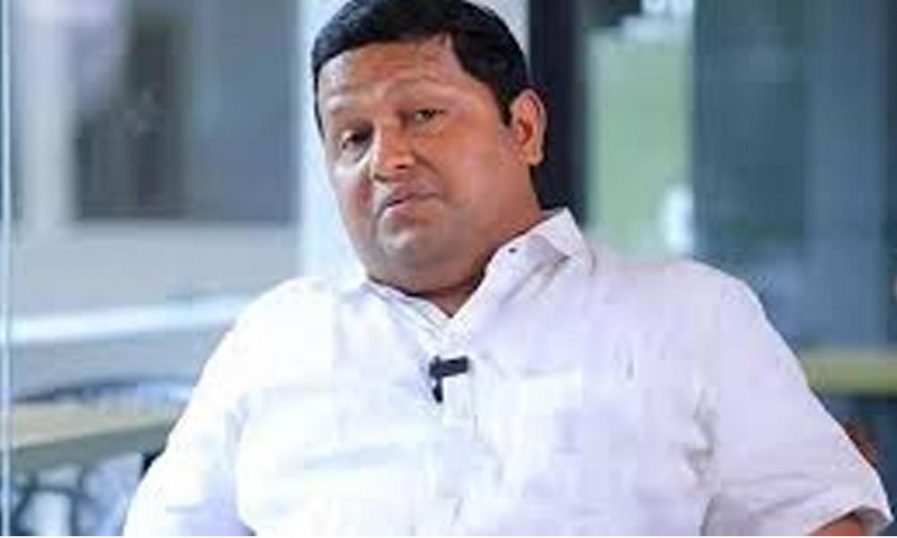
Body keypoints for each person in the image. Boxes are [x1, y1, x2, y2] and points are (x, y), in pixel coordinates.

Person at [124, 0, 892, 534]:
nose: (386, 159)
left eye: (422, 116)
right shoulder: (274, 340)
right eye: (352, 137)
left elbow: (817, 526)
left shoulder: (690, 316)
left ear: (522, 128)